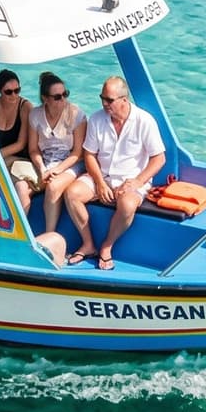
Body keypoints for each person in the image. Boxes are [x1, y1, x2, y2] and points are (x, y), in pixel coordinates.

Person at [62, 76, 166, 269]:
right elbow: (90, 154)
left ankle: (107, 246)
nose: (104, 103)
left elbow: (159, 158)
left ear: (124, 100)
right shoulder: (96, 119)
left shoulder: (144, 121)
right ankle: (88, 244)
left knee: (127, 204)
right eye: (102, 98)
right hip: (102, 176)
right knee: (72, 193)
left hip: (132, 180)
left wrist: (137, 181)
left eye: (109, 100)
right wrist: (100, 183)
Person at [26, 72, 86, 240]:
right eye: (58, 97)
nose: (63, 100)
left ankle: (48, 236)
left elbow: (77, 153)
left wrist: (57, 170)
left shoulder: (76, 115)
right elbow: (33, 150)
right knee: (23, 187)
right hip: (46, 163)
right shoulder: (35, 115)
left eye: (65, 94)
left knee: (53, 187)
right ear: (45, 98)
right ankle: (19, 233)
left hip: (71, 163)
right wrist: (43, 168)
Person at [0, 69, 36, 210]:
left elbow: (21, 143)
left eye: (17, 90)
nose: (14, 95)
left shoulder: (25, 107)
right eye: (8, 92)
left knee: (20, 187)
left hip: (19, 159)